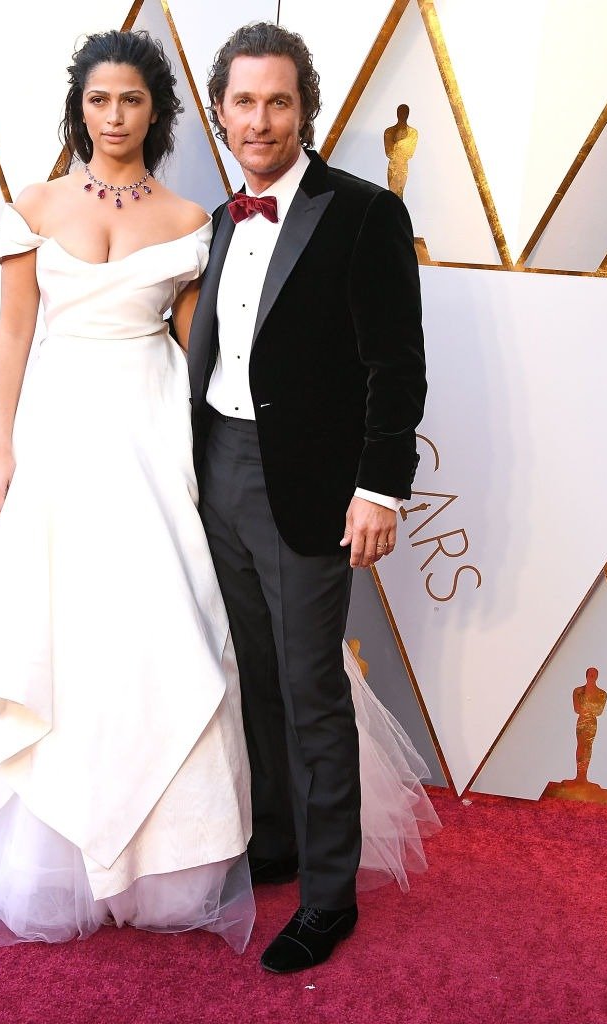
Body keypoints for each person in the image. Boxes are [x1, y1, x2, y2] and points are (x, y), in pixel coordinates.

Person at [0, 29, 255, 953]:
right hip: (55, 427)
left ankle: (157, 851)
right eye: (99, 100)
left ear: (156, 110)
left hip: (150, 430)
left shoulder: (187, 219)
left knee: (149, 619)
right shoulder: (35, 204)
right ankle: (43, 845)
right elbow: (12, 336)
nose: (115, 116)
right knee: (49, 622)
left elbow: (195, 348)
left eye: (131, 100)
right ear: (79, 108)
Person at [188, 23, 434, 973]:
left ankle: (329, 897)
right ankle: (279, 841)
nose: (260, 119)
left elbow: (396, 366)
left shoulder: (365, 214)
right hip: (217, 471)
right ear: (221, 112)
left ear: (307, 109)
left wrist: (379, 488)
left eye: (278, 101)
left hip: (312, 489)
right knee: (254, 675)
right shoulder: (220, 219)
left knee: (310, 687)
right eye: (243, 102)